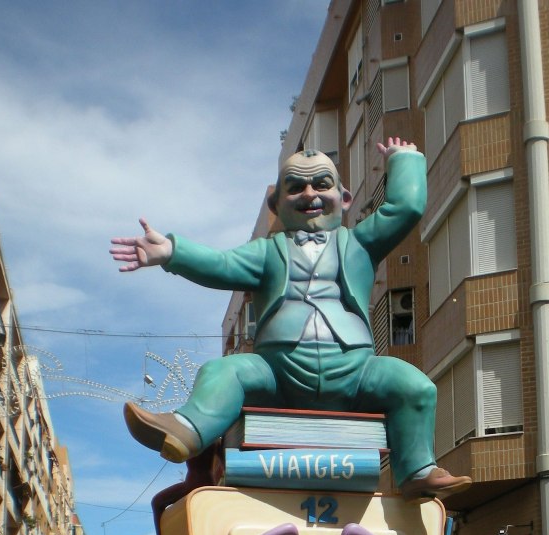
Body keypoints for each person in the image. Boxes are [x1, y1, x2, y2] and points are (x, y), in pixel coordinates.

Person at [110, 139, 471, 502]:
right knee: (223, 372)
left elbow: (404, 208)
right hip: (277, 374)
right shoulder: (267, 252)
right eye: (296, 187)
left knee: (414, 386)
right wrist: (173, 252)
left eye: (321, 184)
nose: (309, 194)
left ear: (344, 199)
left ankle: (416, 469)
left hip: (355, 373)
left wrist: (403, 160)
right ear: (276, 204)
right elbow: (220, 265)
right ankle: (187, 430)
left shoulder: (360, 244)